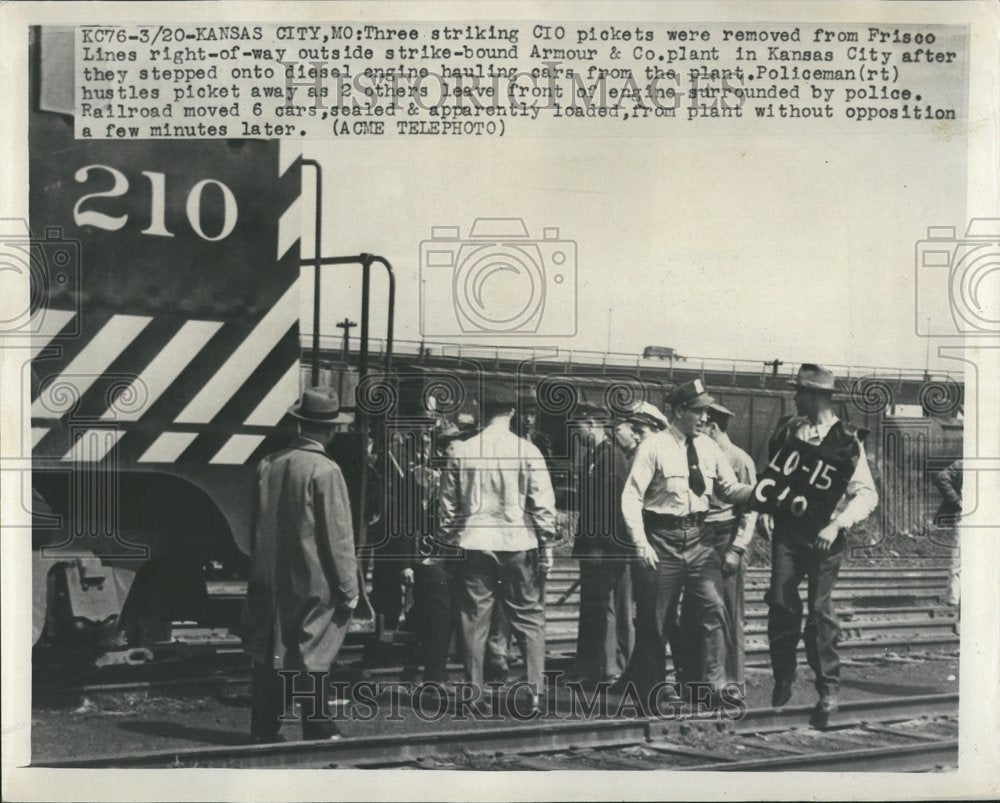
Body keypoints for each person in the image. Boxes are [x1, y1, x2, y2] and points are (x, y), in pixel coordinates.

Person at [621, 379, 755, 709]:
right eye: (698, 411)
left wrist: (761, 490)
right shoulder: (653, 447)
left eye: (707, 412)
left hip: (699, 541)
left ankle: (713, 685)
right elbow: (632, 496)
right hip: (661, 539)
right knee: (655, 619)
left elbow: (728, 489)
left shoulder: (709, 449)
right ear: (680, 411)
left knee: (712, 608)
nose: (705, 418)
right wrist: (641, 543)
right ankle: (651, 691)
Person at [241, 386, 358, 742]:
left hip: (270, 575)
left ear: (299, 424)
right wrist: (348, 586)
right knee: (314, 653)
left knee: (270, 650)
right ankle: (319, 727)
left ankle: (263, 728)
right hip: (313, 578)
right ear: (331, 429)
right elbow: (337, 536)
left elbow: (256, 523)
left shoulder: (269, 464)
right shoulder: (325, 470)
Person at [762, 364, 878, 717]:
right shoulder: (788, 430)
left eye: (799, 391)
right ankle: (784, 674)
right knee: (781, 603)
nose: (794, 397)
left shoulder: (847, 440)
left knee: (818, 612)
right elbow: (775, 478)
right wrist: (768, 507)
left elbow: (867, 495)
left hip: (825, 535)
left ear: (816, 396)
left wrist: (837, 525)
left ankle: (828, 689)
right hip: (788, 531)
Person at [438, 383, 558, 706]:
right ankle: (533, 693)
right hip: (517, 542)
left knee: (474, 619)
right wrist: (546, 545)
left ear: (481, 411)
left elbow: (447, 506)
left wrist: (450, 540)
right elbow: (544, 505)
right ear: (513, 412)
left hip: (474, 543)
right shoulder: (528, 451)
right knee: (529, 618)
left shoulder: (462, 450)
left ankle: (475, 693)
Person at [690, 401, 758, 691]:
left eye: (704, 423)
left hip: (726, 538)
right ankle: (704, 679)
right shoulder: (700, 453)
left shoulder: (739, 459)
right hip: (702, 537)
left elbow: (751, 509)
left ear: (713, 426)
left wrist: (737, 549)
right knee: (703, 614)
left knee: (729, 612)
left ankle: (732, 681)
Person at [572, 403, 634, 685]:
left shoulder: (611, 458)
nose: (576, 433)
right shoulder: (596, 456)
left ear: (591, 424)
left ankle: (609, 670)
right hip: (594, 547)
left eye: (579, 427)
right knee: (595, 607)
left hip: (605, 548)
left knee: (603, 607)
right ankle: (596, 668)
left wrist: (599, 544)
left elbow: (612, 507)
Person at [933, 459, 963, 607]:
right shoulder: (965, 464)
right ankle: (953, 597)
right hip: (966, 516)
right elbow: (942, 478)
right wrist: (957, 501)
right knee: (959, 558)